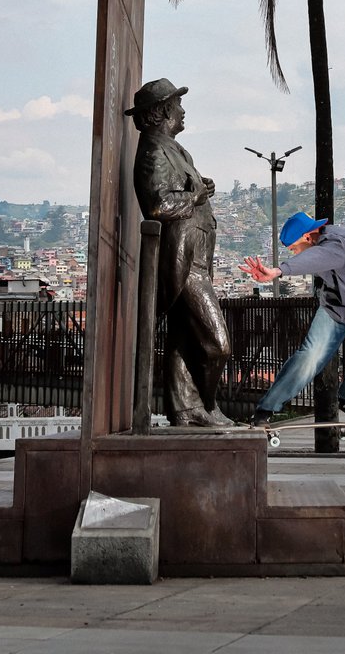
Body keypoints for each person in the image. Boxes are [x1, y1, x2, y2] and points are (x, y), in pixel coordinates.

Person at [127, 78, 232, 428]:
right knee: (217, 345)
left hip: (196, 257)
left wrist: (202, 189)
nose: (182, 110)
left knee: (183, 340)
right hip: (182, 262)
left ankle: (187, 411)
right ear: (161, 112)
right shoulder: (154, 151)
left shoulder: (176, 150)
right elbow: (157, 205)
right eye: (177, 104)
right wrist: (196, 197)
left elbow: (185, 192)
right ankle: (208, 405)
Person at [238, 211, 345, 426]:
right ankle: (265, 410)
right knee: (309, 357)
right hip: (335, 310)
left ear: (308, 237)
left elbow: (316, 257)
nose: (295, 253)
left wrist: (278, 271)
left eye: (294, 248)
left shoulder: (338, 243)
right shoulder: (322, 244)